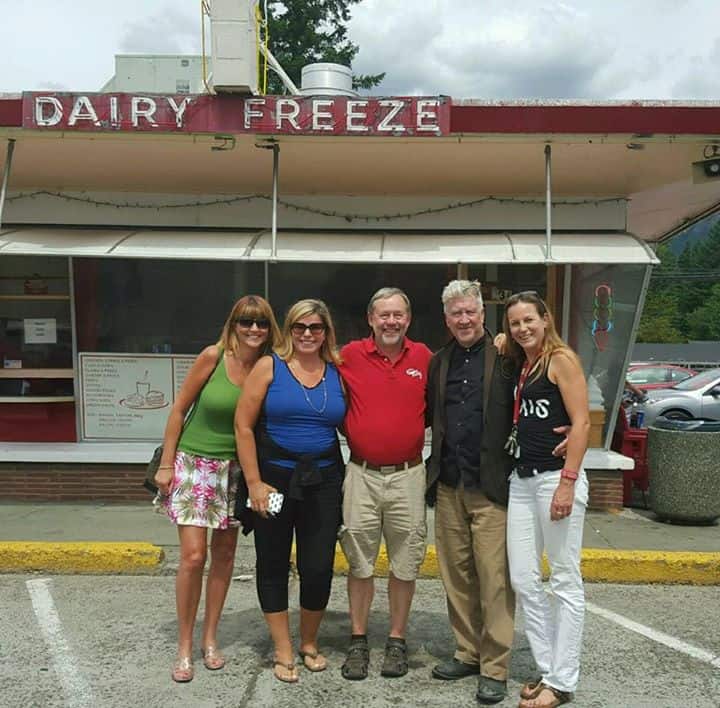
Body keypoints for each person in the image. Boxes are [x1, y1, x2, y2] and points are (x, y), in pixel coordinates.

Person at [154, 295, 280, 683]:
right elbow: (178, 409)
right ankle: (184, 645)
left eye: (261, 323)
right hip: (195, 464)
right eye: (246, 321)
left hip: (237, 471)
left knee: (224, 556)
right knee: (193, 557)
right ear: (233, 323)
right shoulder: (213, 356)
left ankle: (211, 639)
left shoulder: (268, 364)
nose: (254, 329)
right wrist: (165, 463)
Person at [234, 299, 346, 684]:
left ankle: (309, 642)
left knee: (317, 566)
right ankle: (283, 649)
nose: (307, 335)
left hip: (324, 482)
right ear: (288, 330)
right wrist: (253, 483)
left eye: (315, 327)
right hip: (273, 481)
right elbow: (243, 427)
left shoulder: (338, 372)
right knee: (273, 562)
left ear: (326, 331)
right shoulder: (270, 367)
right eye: (299, 327)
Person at [425, 280, 515, 705]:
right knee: (456, 574)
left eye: (470, 312)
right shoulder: (438, 362)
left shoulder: (507, 357)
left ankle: (495, 667)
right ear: (447, 319)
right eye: (455, 313)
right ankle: (467, 651)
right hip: (448, 482)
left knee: (494, 578)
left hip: (490, 485)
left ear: (483, 314)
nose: (463, 319)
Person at [338, 287, 432, 680]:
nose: (391, 322)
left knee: (405, 562)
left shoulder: (425, 357)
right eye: (384, 315)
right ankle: (358, 640)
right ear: (371, 318)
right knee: (359, 561)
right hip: (360, 474)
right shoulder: (348, 356)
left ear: (407, 320)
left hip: (409, 474)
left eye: (398, 315)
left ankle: (396, 640)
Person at [502, 291, 590, 708]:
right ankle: (547, 667)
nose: (522, 329)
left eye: (528, 321)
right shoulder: (525, 360)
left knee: (564, 580)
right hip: (521, 480)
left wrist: (568, 482)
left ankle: (562, 680)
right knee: (523, 579)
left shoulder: (561, 360)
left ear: (546, 319)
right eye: (515, 323)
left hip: (555, 480)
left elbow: (583, 422)